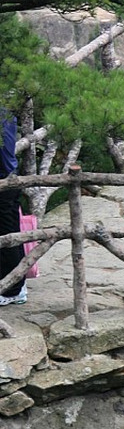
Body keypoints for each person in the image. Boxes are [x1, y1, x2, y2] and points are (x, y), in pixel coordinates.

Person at [0, 112, 26, 306]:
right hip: (7, 176)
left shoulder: (3, 114)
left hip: (5, 181)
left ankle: (13, 290)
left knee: (8, 236)